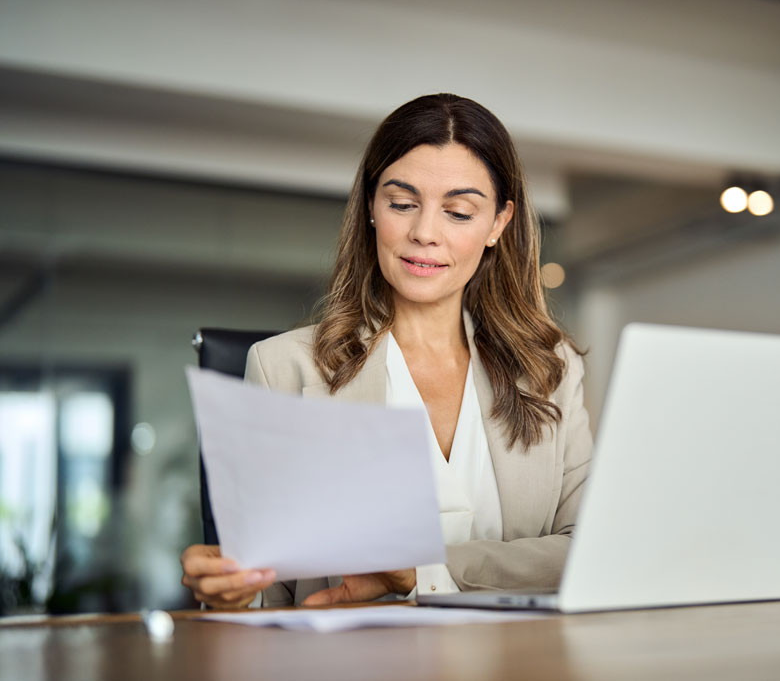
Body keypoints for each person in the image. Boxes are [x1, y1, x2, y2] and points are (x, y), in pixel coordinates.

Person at [180, 93, 592, 609]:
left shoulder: (551, 369)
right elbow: (268, 597)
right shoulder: (283, 366)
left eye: (459, 212)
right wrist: (227, 596)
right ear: (372, 208)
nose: (424, 233)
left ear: (498, 225)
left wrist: (423, 570)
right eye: (402, 204)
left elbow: (586, 554)